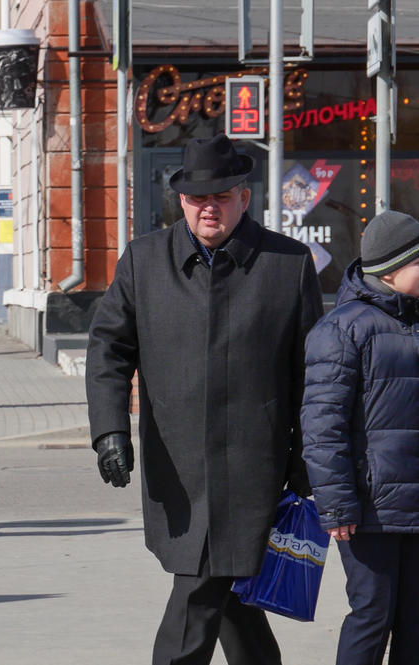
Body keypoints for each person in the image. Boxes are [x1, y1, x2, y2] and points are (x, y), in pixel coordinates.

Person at [84, 133, 322, 665]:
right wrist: (109, 430)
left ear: (244, 197)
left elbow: (311, 373)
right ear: (181, 201)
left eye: (221, 196)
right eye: (197, 198)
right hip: (179, 464)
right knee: (228, 586)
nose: (208, 207)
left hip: (255, 466)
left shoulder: (287, 263)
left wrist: (307, 456)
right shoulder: (145, 261)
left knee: (201, 587)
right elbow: (108, 350)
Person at [301, 210, 419, 665]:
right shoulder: (343, 329)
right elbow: (322, 426)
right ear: (390, 269)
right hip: (370, 510)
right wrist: (336, 505)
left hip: (414, 504)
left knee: (414, 620)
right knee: (372, 614)